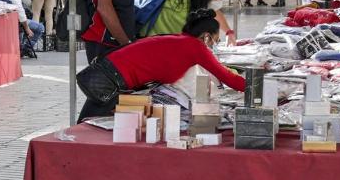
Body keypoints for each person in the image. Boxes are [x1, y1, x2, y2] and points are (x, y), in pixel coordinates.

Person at [76, 8, 245, 121]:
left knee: (87, 122)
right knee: (89, 126)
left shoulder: (180, 40)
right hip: (113, 79)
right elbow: (226, 76)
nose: (213, 46)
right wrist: (256, 86)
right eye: (215, 40)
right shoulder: (196, 47)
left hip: (113, 74)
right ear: (206, 36)